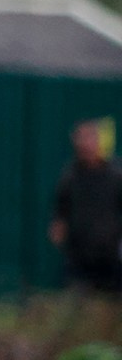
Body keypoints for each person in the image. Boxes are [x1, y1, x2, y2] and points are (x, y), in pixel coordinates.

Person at [50, 118, 122, 294]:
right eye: (79, 139)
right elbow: (61, 210)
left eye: (88, 139)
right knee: (77, 305)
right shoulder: (70, 176)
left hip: (111, 257)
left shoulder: (116, 176)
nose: (84, 145)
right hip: (78, 257)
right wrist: (58, 228)